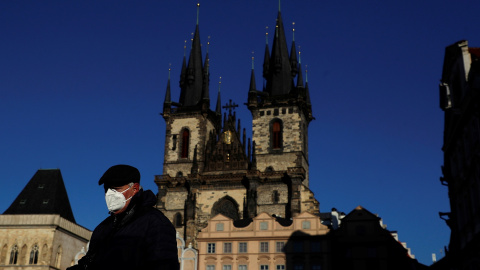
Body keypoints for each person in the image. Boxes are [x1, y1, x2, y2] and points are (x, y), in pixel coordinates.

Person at [68, 164, 179, 270]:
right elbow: (88, 264)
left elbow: (165, 265)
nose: (109, 194)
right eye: (107, 189)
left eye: (116, 189)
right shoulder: (103, 228)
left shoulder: (155, 223)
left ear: (134, 189)